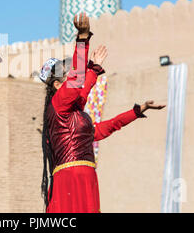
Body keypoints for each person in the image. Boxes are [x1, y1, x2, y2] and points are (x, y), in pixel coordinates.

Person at [40, 13, 165, 213]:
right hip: (70, 178)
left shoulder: (78, 116)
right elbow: (79, 80)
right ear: (56, 84)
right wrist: (82, 39)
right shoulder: (58, 105)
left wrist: (138, 110)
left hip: (87, 177)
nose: (73, 73)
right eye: (68, 72)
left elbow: (107, 125)